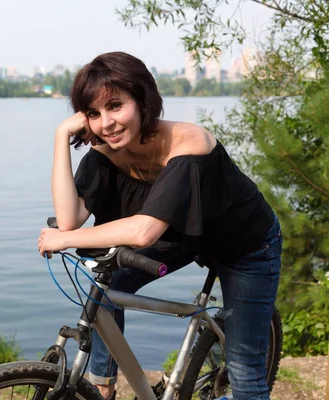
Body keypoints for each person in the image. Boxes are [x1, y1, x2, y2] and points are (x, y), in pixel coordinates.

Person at [37, 52, 282, 400]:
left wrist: (67, 239)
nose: (106, 123)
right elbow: (68, 218)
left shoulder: (190, 144)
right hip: (182, 236)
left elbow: (143, 231)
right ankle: (103, 388)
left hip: (245, 245)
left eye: (116, 106)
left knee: (246, 379)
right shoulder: (107, 153)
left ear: (142, 101)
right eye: (93, 113)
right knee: (106, 292)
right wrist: (62, 136)